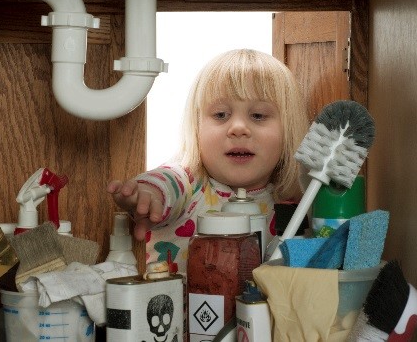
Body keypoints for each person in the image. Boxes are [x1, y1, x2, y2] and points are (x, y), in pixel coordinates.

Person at [107, 49, 309, 274]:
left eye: (258, 116)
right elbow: (166, 182)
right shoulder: (188, 184)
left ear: (288, 130)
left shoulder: (295, 205)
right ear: (197, 127)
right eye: (221, 115)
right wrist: (150, 194)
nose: (238, 128)